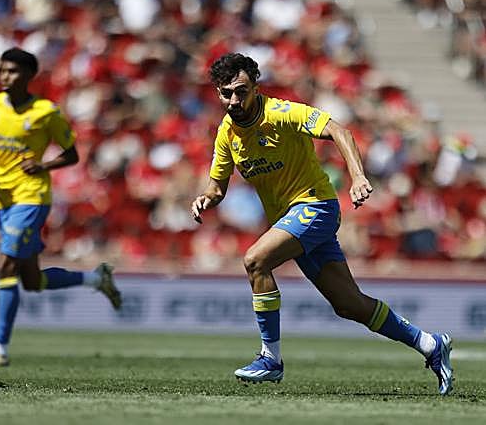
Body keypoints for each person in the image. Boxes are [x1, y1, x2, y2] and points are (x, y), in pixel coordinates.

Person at [190, 53, 453, 395]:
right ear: (218, 93)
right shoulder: (227, 134)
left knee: (256, 260)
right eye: (227, 94)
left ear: (256, 88)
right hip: (291, 219)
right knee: (349, 304)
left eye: (241, 91)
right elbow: (217, 187)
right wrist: (206, 198)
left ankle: (271, 359)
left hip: (316, 206)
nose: (234, 100)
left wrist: (358, 177)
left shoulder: (281, 112)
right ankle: (430, 344)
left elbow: (339, 130)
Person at [0, 47, 122, 369]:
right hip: (2, 198)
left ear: (29, 75)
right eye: (2, 70)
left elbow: (72, 154)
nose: (5, 76)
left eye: (12, 71)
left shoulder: (45, 112)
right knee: (32, 281)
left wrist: (43, 165)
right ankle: (96, 279)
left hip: (32, 196)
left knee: (5, 265)